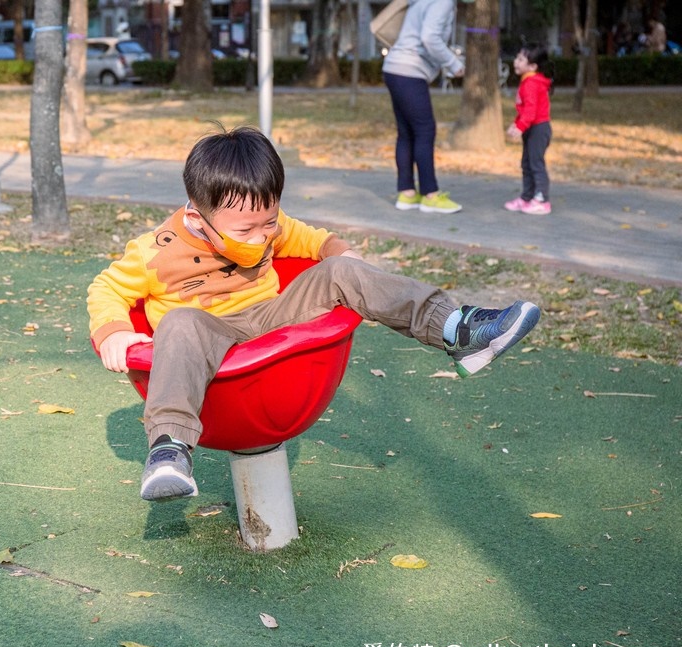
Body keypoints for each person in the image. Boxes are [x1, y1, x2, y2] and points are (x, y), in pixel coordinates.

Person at [87, 125, 541, 502]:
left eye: (270, 222)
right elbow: (106, 287)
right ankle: (169, 450)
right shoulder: (156, 252)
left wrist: (341, 253)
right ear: (197, 218)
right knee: (179, 322)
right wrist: (113, 332)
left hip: (270, 315)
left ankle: (457, 329)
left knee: (342, 270)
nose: (263, 236)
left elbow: (310, 239)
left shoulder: (269, 227)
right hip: (206, 334)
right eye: (246, 229)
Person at [382, 0, 472, 214]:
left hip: (395, 68)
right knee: (425, 131)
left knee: (406, 133)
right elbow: (430, 37)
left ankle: (407, 193)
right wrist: (454, 63)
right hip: (410, 70)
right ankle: (430, 195)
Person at [505, 44, 553, 216]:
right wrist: (516, 123)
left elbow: (531, 111)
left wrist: (521, 126)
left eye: (520, 59)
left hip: (538, 129)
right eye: (516, 58)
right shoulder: (528, 81)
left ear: (533, 66)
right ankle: (527, 197)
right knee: (527, 164)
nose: (515, 62)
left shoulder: (531, 83)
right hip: (531, 129)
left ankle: (542, 200)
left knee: (535, 164)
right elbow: (524, 110)